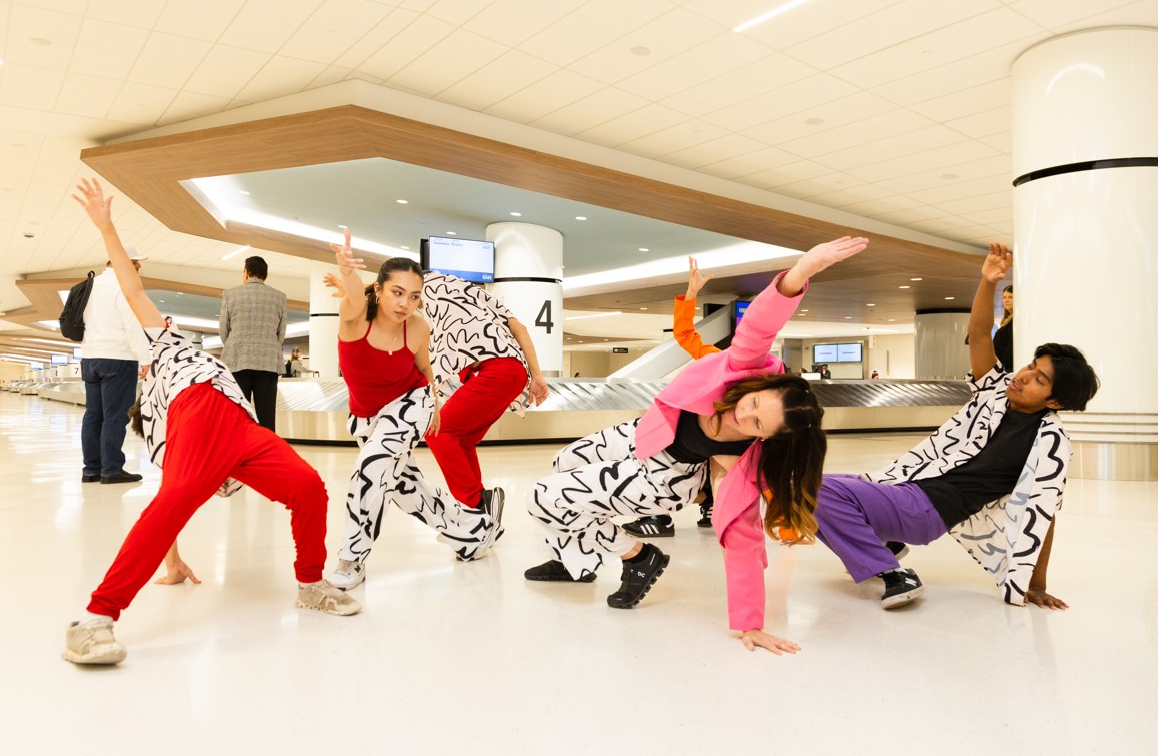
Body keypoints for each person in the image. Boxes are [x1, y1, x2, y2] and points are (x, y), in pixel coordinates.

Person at [62, 179, 359, 667]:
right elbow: (169, 501)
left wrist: (107, 226)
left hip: (240, 426)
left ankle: (310, 585)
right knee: (175, 501)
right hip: (199, 418)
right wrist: (107, 229)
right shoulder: (166, 407)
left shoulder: (168, 343)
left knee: (308, 485)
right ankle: (95, 619)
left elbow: (134, 289)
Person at [525, 236, 868, 654]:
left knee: (543, 497)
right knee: (562, 462)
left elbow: (744, 538)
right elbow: (759, 326)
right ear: (761, 385)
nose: (745, 415)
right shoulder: (741, 371)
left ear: (767, 438)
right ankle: (572, 561)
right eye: (754, 404)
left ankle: (637, 557)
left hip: (668, 476)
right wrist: (800, 273)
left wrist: (750, 623)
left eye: (758, 423)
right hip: (643, 434)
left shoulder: (745, 457)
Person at [813, 243, 1099, 611]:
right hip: (910, 485)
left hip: (928, 508)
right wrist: (987, 281)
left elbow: (1042, 511)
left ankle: (892, 573)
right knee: (800, 487)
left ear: (1055, 401)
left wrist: (1037, 584)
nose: (1025, 377)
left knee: (815, 490)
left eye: (1039, 380)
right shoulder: (996, 392)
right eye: (1030, 366)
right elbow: (980, 335)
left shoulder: (1048, 440)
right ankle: (883, 546)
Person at [321, 233, 503, 590]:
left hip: (410, 403)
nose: (406, 303)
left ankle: (351, 558)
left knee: (371, 470)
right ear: (379, 290)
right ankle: (474, 532)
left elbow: (424, 369)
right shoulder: (355, 320)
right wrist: (347, 273)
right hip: (365, 418)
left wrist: (433, 405)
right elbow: (353, 298)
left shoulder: (418, 327)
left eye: (415, 295)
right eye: (397, 292)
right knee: (404, 488)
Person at [422, 272, 550, 522]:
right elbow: (520, 329)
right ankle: (475, 515)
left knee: (438, 432)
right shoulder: (484, 298)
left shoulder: (434, 291)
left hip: (497, 372)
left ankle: (477, 501)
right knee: (463, 439)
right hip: (513, 372)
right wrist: (536, 376)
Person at [623, 255, 721, 539]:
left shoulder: (754, 373)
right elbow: (685, 334)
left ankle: (710, 505)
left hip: (718, 430)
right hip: (689, 422)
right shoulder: (717, 356)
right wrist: (691, 294)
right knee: (662, 463)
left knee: (714, 465)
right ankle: (667, 512)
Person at [79, 232, 151, 485]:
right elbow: (132, 326)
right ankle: (111, 469)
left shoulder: (91, 286)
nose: (139, 267)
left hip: (89, 358)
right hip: (117, 358)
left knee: (93, 415)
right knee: (115, 416)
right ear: (124, 263)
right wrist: (146, 358)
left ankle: (91, 470)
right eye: (136, 263)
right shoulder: (124, 286)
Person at [219, 256, 287, 431]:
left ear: (246, 272)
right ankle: (265, 453)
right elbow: (281, 333)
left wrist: (236, 345)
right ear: (265, 275)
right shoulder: (279, 296)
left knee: (238, 412)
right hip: (268, 362)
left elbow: (223, 330)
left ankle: (237, 452)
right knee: (266, 414)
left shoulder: (230, 294)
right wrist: (268, 345)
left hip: (237, 360)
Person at [992, 284, 1014, 372]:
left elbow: (1011, 348)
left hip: (1007, 370)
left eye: (1010, 297)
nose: (1006, 300)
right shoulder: (1006, 321)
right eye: (1004, 297)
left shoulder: (1015, 321)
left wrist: (1001, 367)